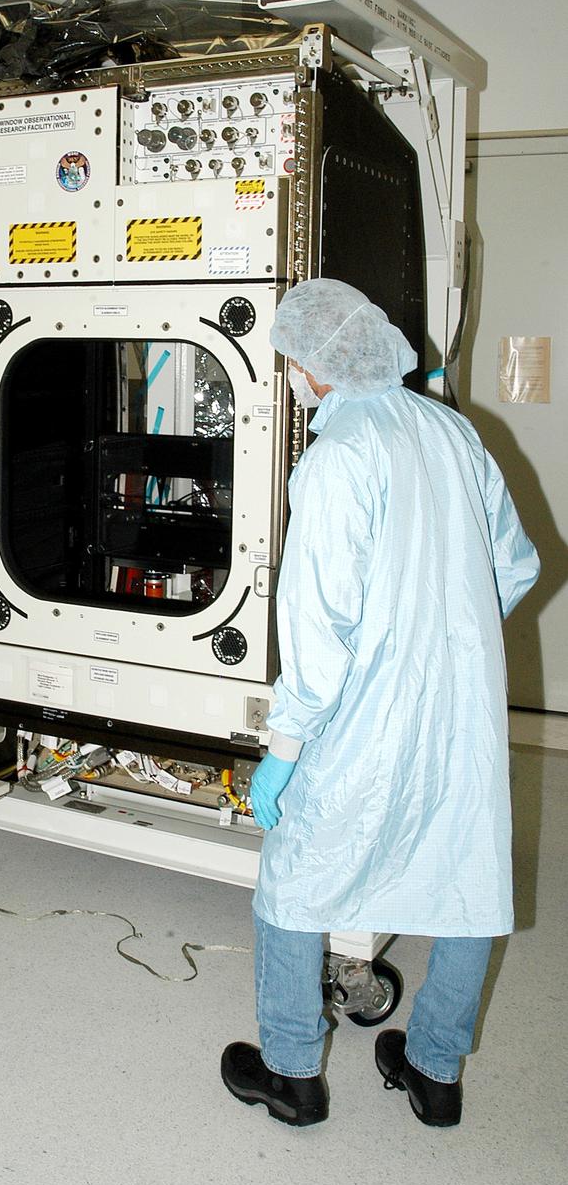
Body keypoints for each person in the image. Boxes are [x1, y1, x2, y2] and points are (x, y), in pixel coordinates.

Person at [220, 278, 539, 1127]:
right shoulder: (452, 431)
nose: (290, 373)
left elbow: (318, 631)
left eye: (290, 360)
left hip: (363, 711)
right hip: (461, 707)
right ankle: (434, 1072)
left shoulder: (336, 459)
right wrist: (445, 641)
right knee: (464, 875)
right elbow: (516, 565)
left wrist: (282, 748)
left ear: (314, 366)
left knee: (294, 878)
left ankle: (290, 1071)